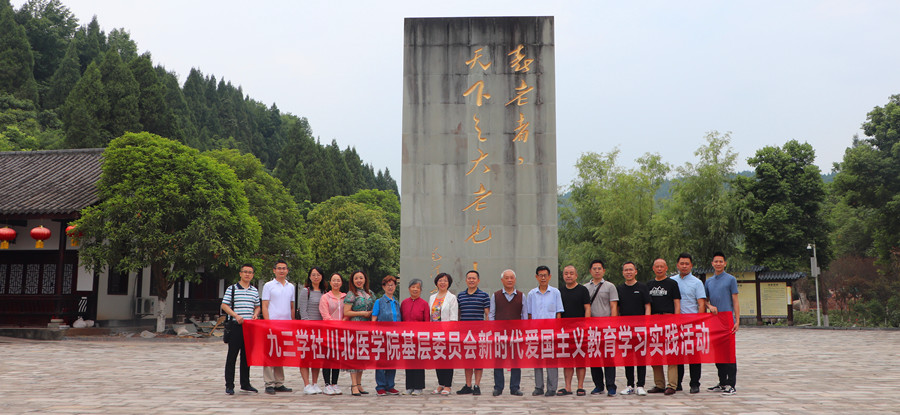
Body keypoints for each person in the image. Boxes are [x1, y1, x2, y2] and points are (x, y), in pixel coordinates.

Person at [525, 265, 565, 397]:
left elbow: (558, 313)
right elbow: (529, 314)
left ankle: (552, 388)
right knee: (537, 360)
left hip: (551, 332)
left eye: (545, 275)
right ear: (536, 277)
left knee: (551, 359)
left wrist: (557, 331)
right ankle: (539, 387)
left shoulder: (555, 292)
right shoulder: (532, 294)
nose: (543, 278)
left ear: (549, 277)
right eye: (540, 275)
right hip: (536, 332)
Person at [704, 252, 740, 396]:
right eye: (716, 261)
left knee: (729, 353)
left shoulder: (731, 279)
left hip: (727, 320)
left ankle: (731, 384)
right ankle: (722, 382)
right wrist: (709, 306)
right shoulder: (709, 282)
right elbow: (704, 300)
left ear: (725, 263)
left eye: (721, 261)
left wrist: (737, 320)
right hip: (715, 321)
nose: (718, 264)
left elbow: (735, 301)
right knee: (718, 353)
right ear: (712, 264)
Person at [221, 263, 261, 395]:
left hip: (249, 328)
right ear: (240, 273)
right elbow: (224, 305)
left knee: (246, 356)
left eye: (250, 272)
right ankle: (229, 385)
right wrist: (235, 315)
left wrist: (256, 314)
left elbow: (257, 306)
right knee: (232, 356)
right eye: (245, 272)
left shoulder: (254, 290)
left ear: (253, 275)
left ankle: (245, 383)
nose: (247, 274)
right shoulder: (232, 289)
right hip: (235, 327)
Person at [646, 258, 681, 395]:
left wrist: (676, 321)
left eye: (662, 266)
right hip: (654, 322)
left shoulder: (672, 284)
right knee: (655, 353)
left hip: (669, 320)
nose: (659, 269)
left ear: (666, 268)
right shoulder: (649, 285)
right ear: (653, 268)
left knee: (671, 354)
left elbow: (677, 303)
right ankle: (659, 384)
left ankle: (672, 385)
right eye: (657, 266)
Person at [673, 253, 707, 394]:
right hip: (676, 323)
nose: (684, 266)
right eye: (682, 263)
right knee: (678, 354)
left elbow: (701, 304)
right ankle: (677, 383)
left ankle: (694, 383)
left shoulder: (697, 283)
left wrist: (698, 322)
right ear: (677, 265)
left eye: (687, 264)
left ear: (691, 265)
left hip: (692, 323)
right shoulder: (672, 281)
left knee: (694, 354)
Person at [584, 259, 619, 396]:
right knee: (594, 357)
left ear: (603, 271)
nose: (597, 271)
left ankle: (611, 386)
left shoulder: (610, 286)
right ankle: (598, 385)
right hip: (592, 328)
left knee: (608, 357)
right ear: (590, 271)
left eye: (599, 268)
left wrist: (613, 325)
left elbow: (613, 306)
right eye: (594, 268)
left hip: (607, 327)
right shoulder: (585, 288)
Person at [616, 261, 651, 396]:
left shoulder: (642, 287)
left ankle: (640, 385)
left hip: (640, 327)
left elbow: (647, 306)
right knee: (628, 357)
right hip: (625, 328)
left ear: (635, 272)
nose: (628, 272)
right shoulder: (619, 289)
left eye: (631, 270)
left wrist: (647, 323)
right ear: (623, 272)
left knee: (641, 356)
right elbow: (617, 308)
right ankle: (629, 385)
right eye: (626, 270)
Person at [490, 269, 527, 397]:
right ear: (502, 280)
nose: (509, 280)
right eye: (507, 278)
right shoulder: (496, 295)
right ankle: (498, 387)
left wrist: (523, 333)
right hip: (499, 334)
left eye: (512, 278)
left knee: (516, 361)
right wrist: (493, 332)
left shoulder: (522, 296)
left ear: (515, 280)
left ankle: (515, 387)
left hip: (516, 334)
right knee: (498, 360)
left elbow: (524, 316)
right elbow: (492, 315)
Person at [261, 259, 295, 395]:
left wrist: (292, 323)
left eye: (284, 268)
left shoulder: (291, 286)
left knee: (280, 354)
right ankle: (269, 383)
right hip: (272, 324)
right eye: (279, 268)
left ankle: (279, 382)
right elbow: (264, 305)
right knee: (269, 353)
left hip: (285, 325)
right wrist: (267, 322)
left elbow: (291, 307)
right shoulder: (268, 285)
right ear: (274, 270)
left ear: (287, 271)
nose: (282, 270)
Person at [455, 270, 490, 396]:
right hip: (465, 334)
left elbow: (487, 314)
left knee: (478, 360)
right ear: (466, 280)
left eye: (474, 278)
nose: (471, 280)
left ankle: (477, 385)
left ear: (478, 280)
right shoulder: (460, 296)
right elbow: (458, 314)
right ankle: (468, 385)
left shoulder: (484, 296)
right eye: (469, 278)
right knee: (467, 360)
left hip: (479, 333)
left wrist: (487, 331)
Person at [558, 265, 590, 396]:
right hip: (565, 330)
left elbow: (587, 308)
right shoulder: (559, 291)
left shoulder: (583, 290)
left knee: (580, 358)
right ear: (563, 276)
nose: (568, 275)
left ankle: (580, 386)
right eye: (566, 273)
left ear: (576, 275)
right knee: (567, 359)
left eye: (571, 273)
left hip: (580, 330)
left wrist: (586, 325)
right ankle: (568, 387)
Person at [343, 270, 376, 396]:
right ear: (352, 280)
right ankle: (353, 385)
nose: (359, 280)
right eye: (356, 278)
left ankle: (359, 383)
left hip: (366, 328)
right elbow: (346, 312)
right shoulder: (351, 294)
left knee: (362, 356)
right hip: (354, 327)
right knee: (354, 356)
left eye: (361, 278)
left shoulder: (370, 293)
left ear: (365, 279)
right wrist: (362, 313)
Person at [297, 266, 326, 395]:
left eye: (318, 274)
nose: (316, 277)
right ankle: (306, 384)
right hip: (307, 329)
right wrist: (308, 326)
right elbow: (303, 311)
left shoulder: (324, 292)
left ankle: (315, 383)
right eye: (313, 274)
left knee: (317, 357)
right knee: (305, 356)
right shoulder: (306, 291)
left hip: (320, 330)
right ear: (309, 276)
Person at [428, 272, 459, 395]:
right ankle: (440, 383)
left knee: (447, 359)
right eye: (440, 280)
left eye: (445, 280)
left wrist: (449, 333)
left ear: (449, 283)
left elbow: (454, 317)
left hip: (446, 333)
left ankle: (448, 385)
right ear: (436, 283)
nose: (442, 283)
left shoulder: (452, 298)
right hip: (434, 333)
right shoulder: (432, 297)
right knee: (438, 357)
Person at [371, 275, 402, 396]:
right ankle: (380, 386)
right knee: (381, 361)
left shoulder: (396, 303)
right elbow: (374, 318)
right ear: (383, 287)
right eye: (388, 285)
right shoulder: (379, 302)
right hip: (381, 336)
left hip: (395, 336)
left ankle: (390, 385)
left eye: (392, 285)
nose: (390, 287)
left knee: (392, 361)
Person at [318, 272, 346, 395]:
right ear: (330, 282)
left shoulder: (345, 297)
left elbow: (347, 313)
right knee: (327, 357)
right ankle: (327, 384)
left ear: (341, 283)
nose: (336, 282)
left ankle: (335, 383)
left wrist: (343, 323)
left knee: (337, 358)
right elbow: (325, 315)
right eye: (334, 280)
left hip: (341, 332)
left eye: (338, 280)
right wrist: (336, 324)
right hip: (328, 331)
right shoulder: (325, 297)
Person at [401, 278, 430, 395]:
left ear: (421, 290)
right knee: (408, 361)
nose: (415, 289)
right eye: (413, 287)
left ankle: (418, 387)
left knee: (418, 362)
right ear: (409, 289)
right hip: (407, 337)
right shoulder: (404, 303)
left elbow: (427, 322)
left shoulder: (424, 304)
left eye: (417, 287)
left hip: (419, 337)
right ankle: (409, 387)